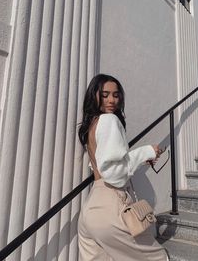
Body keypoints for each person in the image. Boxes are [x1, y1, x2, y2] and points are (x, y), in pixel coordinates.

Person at [78, 74, 169, 260]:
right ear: (94, 95)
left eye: (116, 95)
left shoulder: (92, 125)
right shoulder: (109, 120)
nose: (112, 100)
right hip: (111, 207)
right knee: (158, 257)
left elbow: (101, 164)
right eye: (105, 95)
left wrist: (135, 160)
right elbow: (114, 174)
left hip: (90, 210)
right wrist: (147, 151)